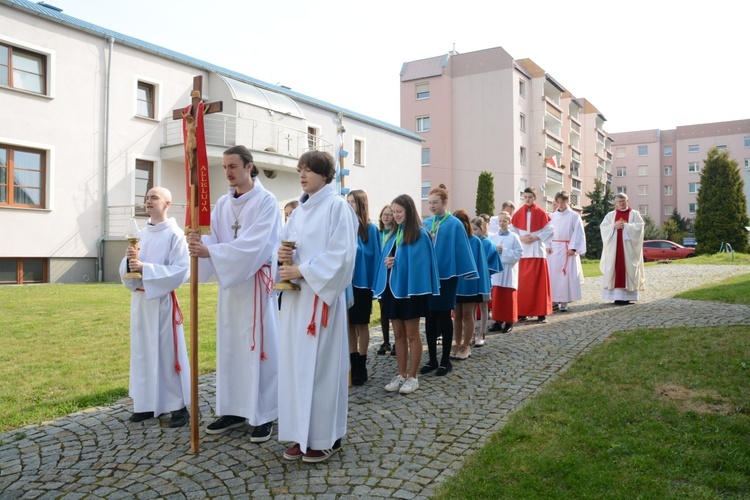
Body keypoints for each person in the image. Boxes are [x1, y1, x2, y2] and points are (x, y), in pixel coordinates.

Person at [187, 145, 280, 442]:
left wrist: (211, 251)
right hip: (231, 289)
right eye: (224, 167)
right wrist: (198, 238)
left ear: (249, 167)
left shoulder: (266, 201)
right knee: (230, 348)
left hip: (254, 284)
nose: (227, 172)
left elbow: (258, 244)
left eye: (233, 167)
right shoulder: (222, 204)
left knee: (259, 348)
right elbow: (213, 236)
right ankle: (233, 408)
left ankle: (264, 413)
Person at [276, 150, 357, 463]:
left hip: (320, 301)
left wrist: (301, 270)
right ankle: (300, 434)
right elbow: (286, 244)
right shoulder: (299, 211)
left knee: (321, 370)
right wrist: (283, 260)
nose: (302, 174)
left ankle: (326, 437)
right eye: (300, 169)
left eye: (309, 169)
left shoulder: (338, 207)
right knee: (297, 368)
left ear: (325, 175)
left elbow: (342, 256)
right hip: (297, 301)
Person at [120, 187, 191, 428]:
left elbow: (182, 270)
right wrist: (129, 263)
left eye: (154, 198)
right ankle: (146, 403)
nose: (148, 201)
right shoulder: (141, 234)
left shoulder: (175, 235)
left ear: (167, 204)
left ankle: (178, 406)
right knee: (142, 352)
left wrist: (146, 269)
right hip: (141, 301)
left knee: (166, 353)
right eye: (147, 197)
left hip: (161, 302)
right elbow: (128, 269)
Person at [373, 194, 440, 394]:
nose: (395, 215)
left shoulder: (419, 233)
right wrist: (388, 263)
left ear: (409, 211)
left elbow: (421, 264)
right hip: (394, 290)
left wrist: (398, 263)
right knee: (399, 335)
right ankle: (401, 374)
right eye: (393, 212)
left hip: (412, 291)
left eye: (399, 212)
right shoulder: (395, 233)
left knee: (412, 335)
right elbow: (389, 257)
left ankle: (413, 377)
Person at [422, 185, 478, 377]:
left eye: (435, 202)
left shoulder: (454, 224)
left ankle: (445, 360)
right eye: (429, 203)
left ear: (444, 202)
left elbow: (462, 248)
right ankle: (432, 359)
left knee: (444, 317)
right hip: (429, 278)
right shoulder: (427, 223)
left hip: (447, 277)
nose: (432, 206)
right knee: (429, 318)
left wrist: (466, 270)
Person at [347, 189, 381, 385]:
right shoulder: (344, 226)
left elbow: (375, 257)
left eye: (353, 202)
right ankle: (352, 360)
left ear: (361, 205)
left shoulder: (371, 229)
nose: (349, 205)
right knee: (349, 323)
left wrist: (375, 285)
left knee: (362, 323)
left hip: (363, 284)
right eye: (348, 201)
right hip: (346, 283)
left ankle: (361, 361)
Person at [510, 187, 554, 323]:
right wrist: (521, 238)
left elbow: (550, 229)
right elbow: (512, 230)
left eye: (530, 197)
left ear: (535, 197)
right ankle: (522, 311)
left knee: (539, 284)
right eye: (526, 197)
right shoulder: (517, 214)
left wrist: (536, 237)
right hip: (523, 252)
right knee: (523, 284)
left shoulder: (542, 213)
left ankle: (541, 313)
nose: (527, 199)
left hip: (537, 251)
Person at [451, 210, 491, 360]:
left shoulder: (475, 241)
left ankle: (466, 345)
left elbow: (481, 265)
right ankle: (457, 343)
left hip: (470, 284)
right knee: (457, 315)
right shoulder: (452, 241)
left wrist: (483, 287)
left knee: (468, 314)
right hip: (456, 283)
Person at [600, 193, 645, 305]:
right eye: (619, 201)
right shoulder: (611, 215)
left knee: (630, 268)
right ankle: (616, 297)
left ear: (627, 201)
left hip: (629, 249)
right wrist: (613, 227)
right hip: (614, 249)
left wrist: (626, 226)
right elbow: (603, 228)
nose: (621, 203)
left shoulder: (634, 214)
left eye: (623, 201)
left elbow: (640, 227)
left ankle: (628, 297)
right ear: (616, 202)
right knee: (614, 268)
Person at [547, 191, 587, 312]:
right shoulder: (552, 216)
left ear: (567, 201)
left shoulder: (574, 216)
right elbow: (547, 232)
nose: (560, 205)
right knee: (553, 275)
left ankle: (564, 301)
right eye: (558, 202)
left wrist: (573, 247)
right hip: (554, 249)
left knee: (565, 276)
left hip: (566, 248)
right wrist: (547, 245)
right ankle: (553, 300)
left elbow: (579, 232)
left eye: (563, 202)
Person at [489, 211, 524, 333]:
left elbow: (519, 253)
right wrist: (495, 251)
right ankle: (497, 321)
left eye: (505, 221)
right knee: (497, 297)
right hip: (497, 273)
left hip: (509, 272)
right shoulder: (493, 237)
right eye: (500, 221)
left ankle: (509, 321)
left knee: (508, 298)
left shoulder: (514, 237)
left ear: (509, 222)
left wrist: (504, 251)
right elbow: (488, 252)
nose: (502, 223)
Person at [470, 216, 502, 345]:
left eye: (476, 229)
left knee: (483, 307)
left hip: (483, 280)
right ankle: (471, 334)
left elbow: (492, 262)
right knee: (471, 308)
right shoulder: (471, 242)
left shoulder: (488, 244)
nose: (473, 232)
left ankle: (482, 334)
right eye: (471, 229)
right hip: (472, 280)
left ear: (482, 228)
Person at [376, 205, 395, 356]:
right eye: (384, 214)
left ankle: (396, 342)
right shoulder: (378, 233)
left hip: (391, 277)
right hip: (380, 276)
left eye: (389, 214)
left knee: (393, 311)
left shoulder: (396, 234)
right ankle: (385, 341)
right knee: (383, 311)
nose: (386, 217)